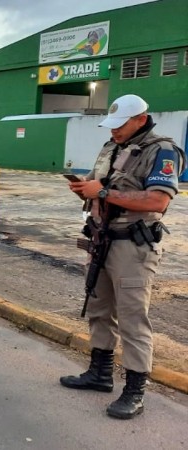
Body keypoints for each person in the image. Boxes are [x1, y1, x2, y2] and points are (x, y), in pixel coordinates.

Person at [61, 94, 186, 419]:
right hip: (102, 239)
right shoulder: (112, 146)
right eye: (112, 125)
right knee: (99, 310)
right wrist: (87, 187)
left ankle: (134, 391)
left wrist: (102, 192)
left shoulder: (163, 151)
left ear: (141, 120)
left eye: (121, 125)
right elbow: (104, 182)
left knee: (132, 318)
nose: (114, 131)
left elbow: (157, 201)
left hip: (133, 245)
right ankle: (99, 374)